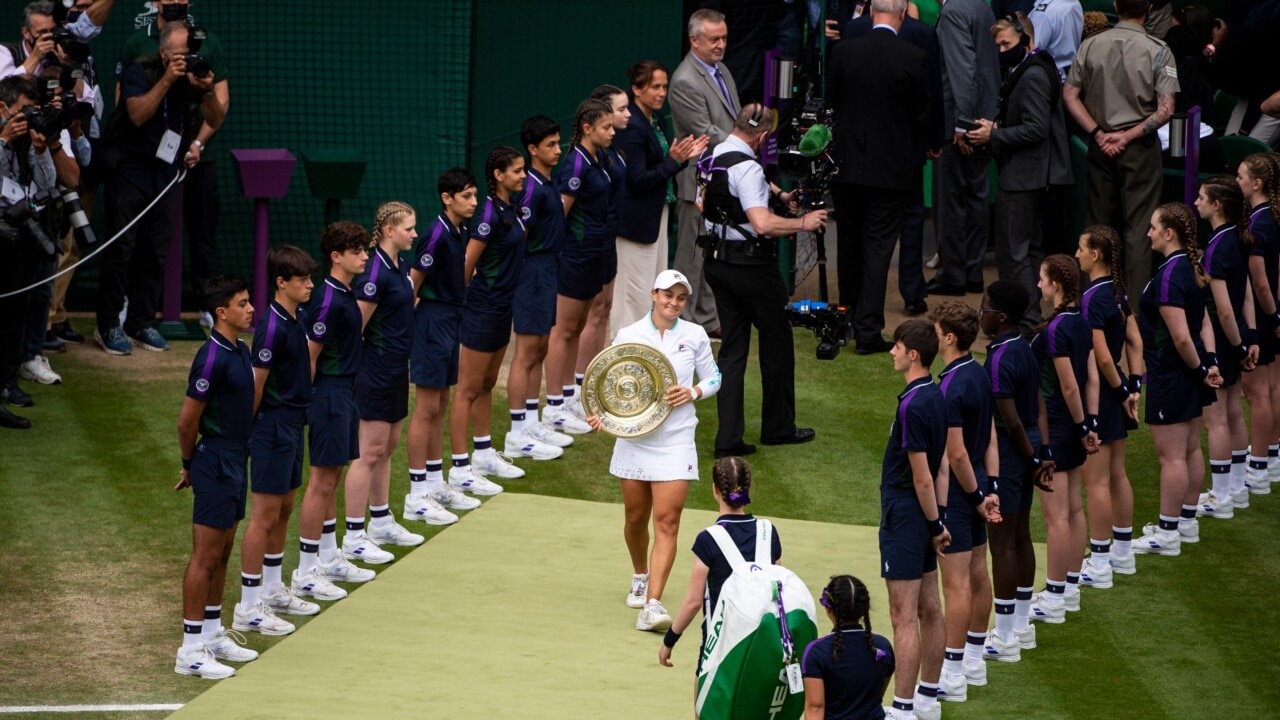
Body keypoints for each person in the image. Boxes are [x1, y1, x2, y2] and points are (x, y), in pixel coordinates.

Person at [586, 270, 721, 633]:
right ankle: (640, 574)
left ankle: (653, 604)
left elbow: (714, 377)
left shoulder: (694, 336)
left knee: (668, 521)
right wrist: (603, 416)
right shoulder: (629, 335)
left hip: (677, 439)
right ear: (653, 294)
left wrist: (692, 392)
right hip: (634, 440)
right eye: (668, 296)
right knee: (635, 518)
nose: (674, 303)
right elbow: (612, 382)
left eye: (680, 297)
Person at [698, 103, 824, 457]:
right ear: (764, 136)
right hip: (753, 269)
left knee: (733, 349)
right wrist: (803, 222)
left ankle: (728, 439)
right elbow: (763, 224)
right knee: (776, 344)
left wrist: (778, 195)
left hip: (717, 263)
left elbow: (701, 204)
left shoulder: (712, 157)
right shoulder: (749, 168)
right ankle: (778, 428)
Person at [95, 21, 224, 354]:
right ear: (164, 53)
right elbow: (137, 114)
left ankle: (140, 322)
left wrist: (207, 89)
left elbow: (215, 117)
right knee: (121, 248)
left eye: (190, 54)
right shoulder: (141, 70)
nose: (186, 60)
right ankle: (108, 324)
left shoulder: (193, 76)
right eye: (180, 55)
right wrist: (168, 80)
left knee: (156, 250)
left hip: (166, 172)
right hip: (130, 169)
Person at [828, 0, 933, 351]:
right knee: (877, 249)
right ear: (902, 16)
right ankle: (868, 331)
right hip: (892, 172)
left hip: (846, 168)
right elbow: (923, 116)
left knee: (849, 244)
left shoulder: (843, 52)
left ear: (872, 13)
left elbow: (831, 102)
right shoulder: (913, 58)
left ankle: (846, 319)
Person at [117, 0, 230, 319]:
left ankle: (210, 305)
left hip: (197, 153)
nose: (176, 2)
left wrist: (198, 143)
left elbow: (220, 105)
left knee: (203, 229)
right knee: (138, 235)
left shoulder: (209, 43)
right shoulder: (138, 43)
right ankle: (125, 304)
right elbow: (123, 102)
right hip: (146, 157)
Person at [1064, 0, 1179, 305]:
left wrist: (1098, 133)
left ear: (1116, 5)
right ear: (1151, 9)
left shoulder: (1090, 45)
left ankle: (1091, 303)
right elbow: (1166, 109)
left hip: (1100, 144)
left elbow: (1070, 95)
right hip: (1138, 146)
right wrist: (1126, 136)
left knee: (1097, 225)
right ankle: (1135, 312)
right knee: (1140, 228)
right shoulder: (1158, 49)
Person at [234, 247, 321, 638]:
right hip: (273, 427)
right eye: (302, 280)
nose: (310, 285)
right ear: (281, 282)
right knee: (264, 515)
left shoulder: (296, 316)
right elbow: (256, 386)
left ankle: (271, 589)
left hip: (292, 423)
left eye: (310, 279)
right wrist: (246, 433)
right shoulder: (270, 327)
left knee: (284, 507)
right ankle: (249, 607)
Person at [965, 12, 1071, 333]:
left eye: (1006, 44)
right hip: (1031, 175)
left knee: (1017, 255)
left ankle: (1024, 324)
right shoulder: (1032, 67)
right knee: (1029, 251)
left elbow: (1036, 129)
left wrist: (993, 135)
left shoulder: (1034, 74)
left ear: (1025, 39)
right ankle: (1029, 321)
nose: (1001, 51)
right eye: (997, 45)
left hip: (1026, 177)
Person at [174, 276, 257, 678]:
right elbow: (186, 422)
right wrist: (190, 463)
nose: (251, 308)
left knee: (223, 552)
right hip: (215, 460)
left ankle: (210, 632)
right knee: (205, 556)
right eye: (243, 304)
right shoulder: (211, 358)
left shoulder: (240, 350)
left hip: (235, 459)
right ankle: (190, 650)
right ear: (221, 313)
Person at [291, 222, 375, 600]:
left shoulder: (343, 293)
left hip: (345, 392)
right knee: (321, 481)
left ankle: (326, 555)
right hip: (329, 395)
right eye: (357, 251)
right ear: (336, 256)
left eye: (365, 250)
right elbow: (310, 355)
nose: (365, 256)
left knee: (332, 480)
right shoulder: (328, 300)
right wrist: (306, 403)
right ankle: (306, 572)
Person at [342, 202, 426, 567]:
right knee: (368, 452)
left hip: (396, 370)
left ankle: (380, 522)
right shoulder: (374, 274)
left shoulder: (399, 267)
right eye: (408, 228)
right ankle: (354, 536)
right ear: (390, 231)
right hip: (375, 371)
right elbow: (354, 329)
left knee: (388, 447)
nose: (414, 234)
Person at [1134, 203, 1220, 556]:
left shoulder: (1171, 274)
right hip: (1189, 371)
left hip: (1171, 374)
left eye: (1154, 227)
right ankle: (1185, 523)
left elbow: (1183, 336)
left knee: (1171, 456)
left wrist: (1201, 368)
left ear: (1169, 233)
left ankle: (1168, 532)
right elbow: (1203, 325)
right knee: (1188, 449)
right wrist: (1209, 363)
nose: (1149, 232)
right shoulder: (1186, 267)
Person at [449, 146, 535, 495]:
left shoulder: (508, 209)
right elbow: (467, 265)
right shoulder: (487, 215)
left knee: (486, 383)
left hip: (502, 308)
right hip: (482, 310)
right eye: (516, 171)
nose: (523, 176)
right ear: (498, 175)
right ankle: (458, 467)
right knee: (467, 389)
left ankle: (483, 453)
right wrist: (463, 304)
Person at [929, 302, 1001, 703]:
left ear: (950, 337)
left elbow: (954, 454)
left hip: (959, 495)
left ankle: (952, 672)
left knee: (955, 585)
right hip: (978, 486)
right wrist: (992, 489)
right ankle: (973, 659)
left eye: (937, 330)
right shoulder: (977, 372)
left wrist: (975, 498)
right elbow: (989, 437)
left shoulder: (951, 385)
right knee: (978, 573)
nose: (933, 335)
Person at [878, 319, 949, 720]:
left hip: (905, 514)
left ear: (913, 355)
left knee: (903, 615)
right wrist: (937, 521)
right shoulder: (935, 396)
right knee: (929, 607)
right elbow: (940, 470)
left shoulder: (913, 404)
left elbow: (923, 475)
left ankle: (904, 709)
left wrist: (934, 523)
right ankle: (927, 698)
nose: (892, 352)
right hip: (922, 515)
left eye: (897, 346)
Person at [978, 281, 1052, 661]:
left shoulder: (999, 358)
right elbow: (1038, 403)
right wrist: (1044, 452)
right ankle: (1021, 627)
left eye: (984, 308)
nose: (981, 314)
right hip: (1030, 450)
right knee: (1021, 536)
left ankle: (1005, 636)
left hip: (1010, 456)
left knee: (1002, 544)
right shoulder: (1022, 345)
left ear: (1001, 316)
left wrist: (1033, 458)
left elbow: (1010, 422)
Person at [405, 169, 482, 525]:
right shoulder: (435, 235)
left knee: (442, 402)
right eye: (466, 196)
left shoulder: (460, 229)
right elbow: (412, 284)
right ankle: (417, 493)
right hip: (433, 322)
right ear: (446, 198)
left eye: (475, 196)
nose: (473, 202)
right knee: (426, 407)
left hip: (452, 319)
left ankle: (436, 482)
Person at [658, 458, 781, 679]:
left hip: (720, 646)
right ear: (748, 488)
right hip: (764, 642)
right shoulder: (769, 531)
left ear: (715, 489)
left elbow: (694, 602)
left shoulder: (707, 539)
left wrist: (669, 641)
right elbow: (779, 587)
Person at [1028, 254, 1099, 623]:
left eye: (1042, 279)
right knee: (1073, 509)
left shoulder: (1055, 329)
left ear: (1055, 284)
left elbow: (1070, 385)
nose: (1039, 285)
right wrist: (1089, 424)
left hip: (1054, 428)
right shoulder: (1081, 322)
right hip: (1072, 427)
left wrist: (1082, 425)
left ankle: (1054, 596)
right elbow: (1091, 379)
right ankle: (1069, 589)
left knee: (1057, 517)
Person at [613, 60, 707, 330]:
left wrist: (681, 158)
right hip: (636, 221)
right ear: (636, 89)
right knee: (634, 292)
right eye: (655, 87)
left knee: (653, 285)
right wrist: (674, 162)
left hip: (658, 213)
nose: (662, 93)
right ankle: (628, 353)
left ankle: (648, 349)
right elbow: (637, 179)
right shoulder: (632, 126)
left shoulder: (656, 121)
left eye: (664, 86)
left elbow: (666, 164)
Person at [543, 99, 617, 434]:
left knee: (578, 326)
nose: (612, 132)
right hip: (576, 256)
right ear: (587, 128)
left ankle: (569, 396)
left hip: (596, 253)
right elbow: (560, 214)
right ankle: (554, 406)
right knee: (564, 329)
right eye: (606, 127)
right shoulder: (575, 164)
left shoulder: (599, 158)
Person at [1075, 226, 1144, 584]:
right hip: (1116, 390)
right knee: (1117, 474)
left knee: (1097, 483)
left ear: (1095, 255)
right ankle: (1121, 552)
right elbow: (1134, 340)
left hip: (1101, 395)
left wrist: (1119, 392)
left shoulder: (1091, 298)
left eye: (1081, 248)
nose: (1077, 254)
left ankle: (1100, 562)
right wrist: (1134, 385)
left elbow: (1101, 359)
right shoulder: (1117, 292)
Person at [506, 117, 578, 454]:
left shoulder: (548, 182)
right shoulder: (531, 189)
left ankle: (532, 423)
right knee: (526, 353)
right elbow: (517, 236)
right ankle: (517, 433)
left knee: (540, 350)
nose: (557, 149)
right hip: (532, 272)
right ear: (532, 149)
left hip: (549, 269)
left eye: (558, 143)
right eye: (549, 145)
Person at [669, 8, 738, 335]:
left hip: (721, 176)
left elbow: (731, 119)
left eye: (723, 37)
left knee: (712, 250)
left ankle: (708, 321)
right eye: (714, 39)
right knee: (691, 258)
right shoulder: (684, 80)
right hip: (698, 180)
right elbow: (704, 132)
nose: (720, 44)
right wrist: (744, 144)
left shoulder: (721, 69)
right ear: (694, 40)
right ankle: (679, 323)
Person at [0, 74, 64, 423]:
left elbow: (47, 185)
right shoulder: (4, 138)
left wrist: (40, 149)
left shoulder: (29, 143)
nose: (27, 118)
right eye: (23, 111)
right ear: (3, 109)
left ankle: (7, 383)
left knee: (17, 315)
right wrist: (1, 141)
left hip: (23, 235)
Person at [1192, 179, 1255, 521]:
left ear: (1217, 205)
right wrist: (1247, 340)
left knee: (1215, 418)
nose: (1196, 201)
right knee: (1232, 410)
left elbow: (1225, 308)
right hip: (1236, 338)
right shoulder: (1235, 239)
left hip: (1220, 338)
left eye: (1201, 197)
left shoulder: (1217, 248)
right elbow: (1244, 297)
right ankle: (1236, 488)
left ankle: (1220, 495)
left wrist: (1236, 345)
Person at [930, 0, 999, 298]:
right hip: (982, 115)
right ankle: (971, 273)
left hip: (959, 121)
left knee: (952, 202)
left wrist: (963, 125)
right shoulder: (981, 6)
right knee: (975, 199)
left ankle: (954, 276)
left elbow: (963, 69)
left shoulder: (954, 10)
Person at [570, 85, 631, 418]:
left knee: (603, 309)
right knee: (583, 318)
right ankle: (576, 389)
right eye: (619, 111)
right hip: (586, 247)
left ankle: (588, 384)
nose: (625, 116)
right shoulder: (584, 161)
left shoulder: (609, 153)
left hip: (607, 241)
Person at [1238, 153, 1280, 495]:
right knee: (1272, 388)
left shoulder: (1256, 225)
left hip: (1263, 316)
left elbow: (1261, 282)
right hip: (1273, 313)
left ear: (1257, 184)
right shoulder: (1272, 218)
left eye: (1240, 177)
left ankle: (1258, 466)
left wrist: (1273, 317)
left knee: (1257, 392)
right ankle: (1273, 456)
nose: (1236, 182)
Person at [801, 575, 896, 720]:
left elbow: (815, 708)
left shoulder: (816, 652)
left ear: (828, 608)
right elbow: (878, 695)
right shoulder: (883, 646)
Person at [1026, 0, 1084, 82]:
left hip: (1047, 82)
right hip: (1069, 78)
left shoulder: (1043, 14)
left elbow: (1033, 51)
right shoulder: (1074, 3)